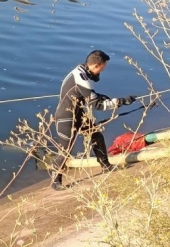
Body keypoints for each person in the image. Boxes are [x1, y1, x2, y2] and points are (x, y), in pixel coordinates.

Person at [51, 50, 136, 191]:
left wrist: (103, 97)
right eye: (103, 68)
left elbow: (90, 96)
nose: (102, 72)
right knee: (65, 150)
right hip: (66, 117)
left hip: (78, 114)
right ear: (96, 65)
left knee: (96, 134)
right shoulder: (83, 79)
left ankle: (106, 166)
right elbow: (97, 105)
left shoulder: (82, 71)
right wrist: (120, 102)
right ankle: (55, 180)